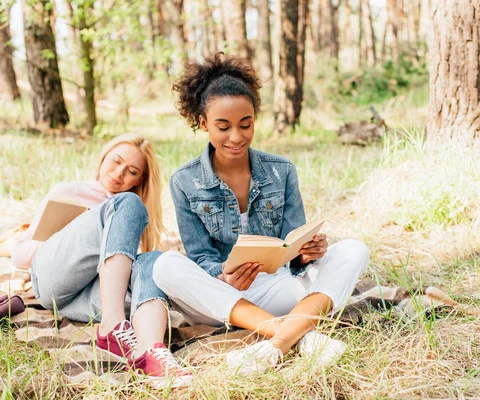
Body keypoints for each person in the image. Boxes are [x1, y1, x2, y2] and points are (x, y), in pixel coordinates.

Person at [152, 53, 370, 375]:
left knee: (354, 249)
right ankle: (304, 337)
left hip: (281, 288)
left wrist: (307, 253)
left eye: (246, 124)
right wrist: (223, 275)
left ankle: (275, 345)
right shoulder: (185, 181)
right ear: (203, 123)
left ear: (255, 119)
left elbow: (292, 243)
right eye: (223, 127)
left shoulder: (281, 171)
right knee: (165, 265)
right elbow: (200, 257)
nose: (236, 137)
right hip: (223, 299)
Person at [11, 133, 191, 388]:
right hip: (56, 282)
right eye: (116, 161)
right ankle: (113, 325)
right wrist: (68, 238)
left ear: (140, 179)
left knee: (154, 260)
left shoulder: (132, 213)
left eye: (131, 171)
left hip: (92, 299)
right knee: (127, 203)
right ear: (104, 155)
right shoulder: (70, 191)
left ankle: (150, 352)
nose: (119, 173)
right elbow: (19, 254)